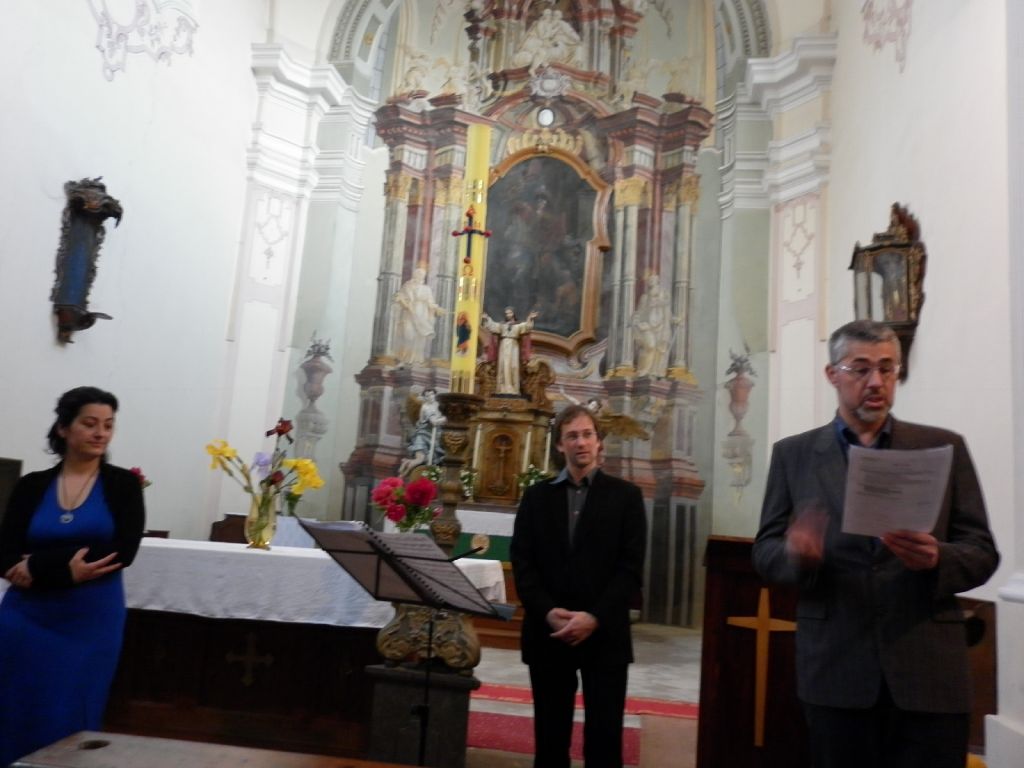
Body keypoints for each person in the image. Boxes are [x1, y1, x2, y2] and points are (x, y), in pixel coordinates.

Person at [752, 320, 999, 768]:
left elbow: (982, 551)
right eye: (861, 368)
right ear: (832, 374)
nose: (876, 382)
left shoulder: (942, 447)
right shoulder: (794, 455)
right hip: (836, 668)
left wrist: (938, 557)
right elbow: (765, 551)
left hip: (929, 670)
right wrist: (797, 554)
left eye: (887, 369)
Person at [0, 386, 146, 764]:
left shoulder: (123, 485)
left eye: (108, 425)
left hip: (89, 618)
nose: (101, 433)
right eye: (90, 424)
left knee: (70, 709)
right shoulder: (32, 485)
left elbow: (122, 551)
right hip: (26, 616)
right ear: (64, 428)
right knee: (14, 706)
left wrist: (39, 565)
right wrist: (58, 568)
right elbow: (4, 551)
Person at [511, 404, 646, 768]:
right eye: (572, 436)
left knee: (604, 739)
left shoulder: (626, 497)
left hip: (604, 633)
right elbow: (523, 564)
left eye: (587, 434)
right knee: (550, 739)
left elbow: (630, 569)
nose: (581, 442)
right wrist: (547, 612)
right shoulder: (536, 497)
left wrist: (594, 617)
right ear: (559, 445)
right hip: (549, 633)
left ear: (600, 442)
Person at [392, 266, 445, 366]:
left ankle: (416, 360)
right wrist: (400, 300)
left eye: (422, 274)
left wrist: (437, 308)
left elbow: (430, 303)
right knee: (408, 334)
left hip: (421, 314)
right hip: (409, 313)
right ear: (414, 274)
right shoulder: (407, 286)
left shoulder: (426, 289)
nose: (420, 276)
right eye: (419, 273)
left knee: (419, 337)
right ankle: (405, 358)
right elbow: (399, 297)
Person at [482, 307, 538, 395]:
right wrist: (487, 318)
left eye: (510, 313)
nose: (508, 315)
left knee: (513, 366)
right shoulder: (502, 325)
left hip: (514, 346)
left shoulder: (518, 325)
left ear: (513, 314)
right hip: (504, 346)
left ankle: (514, 389)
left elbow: (527, 327)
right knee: (503, 365)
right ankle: (502, 388)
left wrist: (530, 318)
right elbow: (493, 326)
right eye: (507, 313)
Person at [397, 387, 447, 477]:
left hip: (435, 434)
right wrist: (446, 418)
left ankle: (405, 464)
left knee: (428, 459)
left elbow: (440, 418)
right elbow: (433, 422)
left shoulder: (438, 405)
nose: (430, 397)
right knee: (420, 460)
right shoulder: (425, 407)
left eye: (432, 394)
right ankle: (402, 474)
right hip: (424, 435)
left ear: (435, 395)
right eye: (427, 396)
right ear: (425, 397)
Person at [631, 273, 672, 378]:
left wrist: (675, 320)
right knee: (650, 345)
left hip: (660, 327)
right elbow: (639, 312)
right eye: (650, 280)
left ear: (658, 282)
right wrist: (636, 322)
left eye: (654, 279)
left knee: (659, 349)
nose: (651, 281)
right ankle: (643, 369)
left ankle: (655, 371)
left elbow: (667, 314)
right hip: (647, 326)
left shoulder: (663, 298)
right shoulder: (645, 298)